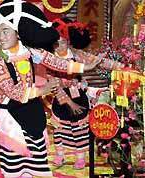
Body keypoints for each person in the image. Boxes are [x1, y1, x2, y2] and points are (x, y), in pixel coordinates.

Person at [0, 0, 100, 177]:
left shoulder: (30, 51)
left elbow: (57, 62)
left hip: (30, 107)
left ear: (18, 33)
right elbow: (11, 91)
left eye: (6, 30)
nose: (1, 36)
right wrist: (43, 91)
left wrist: (84, 68)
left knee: (34, 156)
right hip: (7, 113)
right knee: (14, 157)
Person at [50, 17, 124, 170]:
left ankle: (80, 157)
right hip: (60, 98)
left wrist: (123, 67)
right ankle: (60, 156)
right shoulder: (49, 59)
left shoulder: (77, 55)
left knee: (80, 131)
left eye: (62, 41)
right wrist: (69, 103)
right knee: (59, 130)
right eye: (56, 42)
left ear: (69, 41)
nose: (59, 46)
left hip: (79, 95)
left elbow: (99, 62)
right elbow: (54, 85)